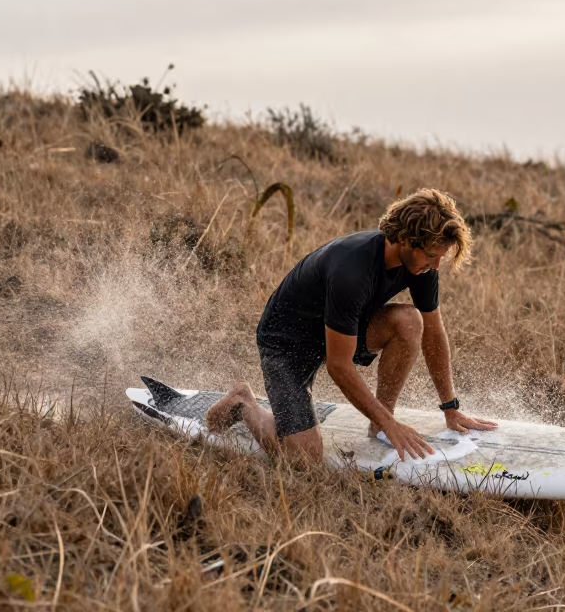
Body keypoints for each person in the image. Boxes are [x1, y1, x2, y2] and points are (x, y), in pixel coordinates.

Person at [205, 188, 497, 464]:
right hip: (287, 342)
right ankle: (243, 403)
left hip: (339, 328)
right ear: (406, 239)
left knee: (409, 321)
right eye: (431, 256)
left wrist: (451, 408)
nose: (435, 266)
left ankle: (379, 425)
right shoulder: (352, 270)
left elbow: (434, 333)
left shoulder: (420, 266)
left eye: (440, 258)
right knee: (303, 459)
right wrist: (392, 424)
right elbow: (339, 365)